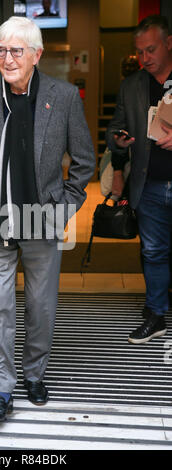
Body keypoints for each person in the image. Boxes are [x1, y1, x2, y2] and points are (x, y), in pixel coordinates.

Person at [0, 16, 95, 422]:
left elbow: (84, 163)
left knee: (40, 305)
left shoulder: (63, 97)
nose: (7, 58)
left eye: (16, 50)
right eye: (1, 50)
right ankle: (1, 388)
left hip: (40, 219)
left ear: (37, 55)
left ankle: (34, 374)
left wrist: (63, 208)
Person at [106, 15, 172, 344]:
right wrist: (117, 140)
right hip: (149, 185)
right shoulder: (131, 86)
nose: (145, 58)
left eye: (151, 49)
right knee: (154, 252)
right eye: (140, 52)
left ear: (169, 43)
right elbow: (115, 126)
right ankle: (157, 314)